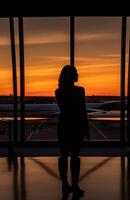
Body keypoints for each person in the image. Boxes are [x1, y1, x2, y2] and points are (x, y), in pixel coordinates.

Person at [55, 65, 89, 197]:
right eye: (76, 73)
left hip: (64, 125)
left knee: (63, 155)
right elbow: (82, 110)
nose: (78, 75)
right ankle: (75, 184)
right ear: (70, 75)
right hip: (76, 126)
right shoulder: (80, 91)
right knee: (75, 156)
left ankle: (64, 184)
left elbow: (66, 110)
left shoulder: (58, 91)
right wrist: (86, 128)